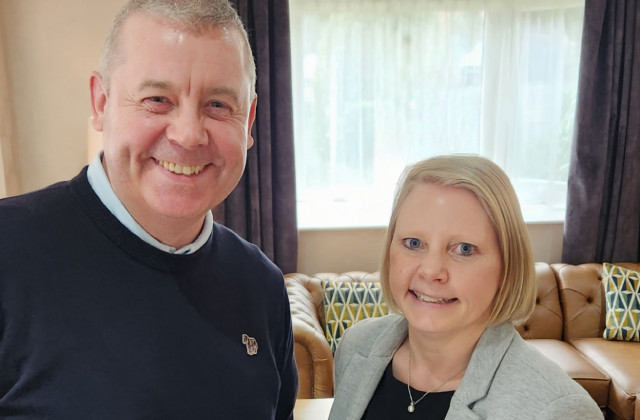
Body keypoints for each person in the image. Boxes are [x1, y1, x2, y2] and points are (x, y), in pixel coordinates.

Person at [0, 0, 297, 418]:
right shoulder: (8, 251)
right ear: (101, 103)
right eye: (158, 98)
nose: (189, 134)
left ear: (248, 121)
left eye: (217, 105)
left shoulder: (262, 286)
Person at [328, 155, 602, 420]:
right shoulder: (356, 346)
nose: (431, 270)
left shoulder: (559, 410)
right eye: (413, 243)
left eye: (464, 249)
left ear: (507, 268)